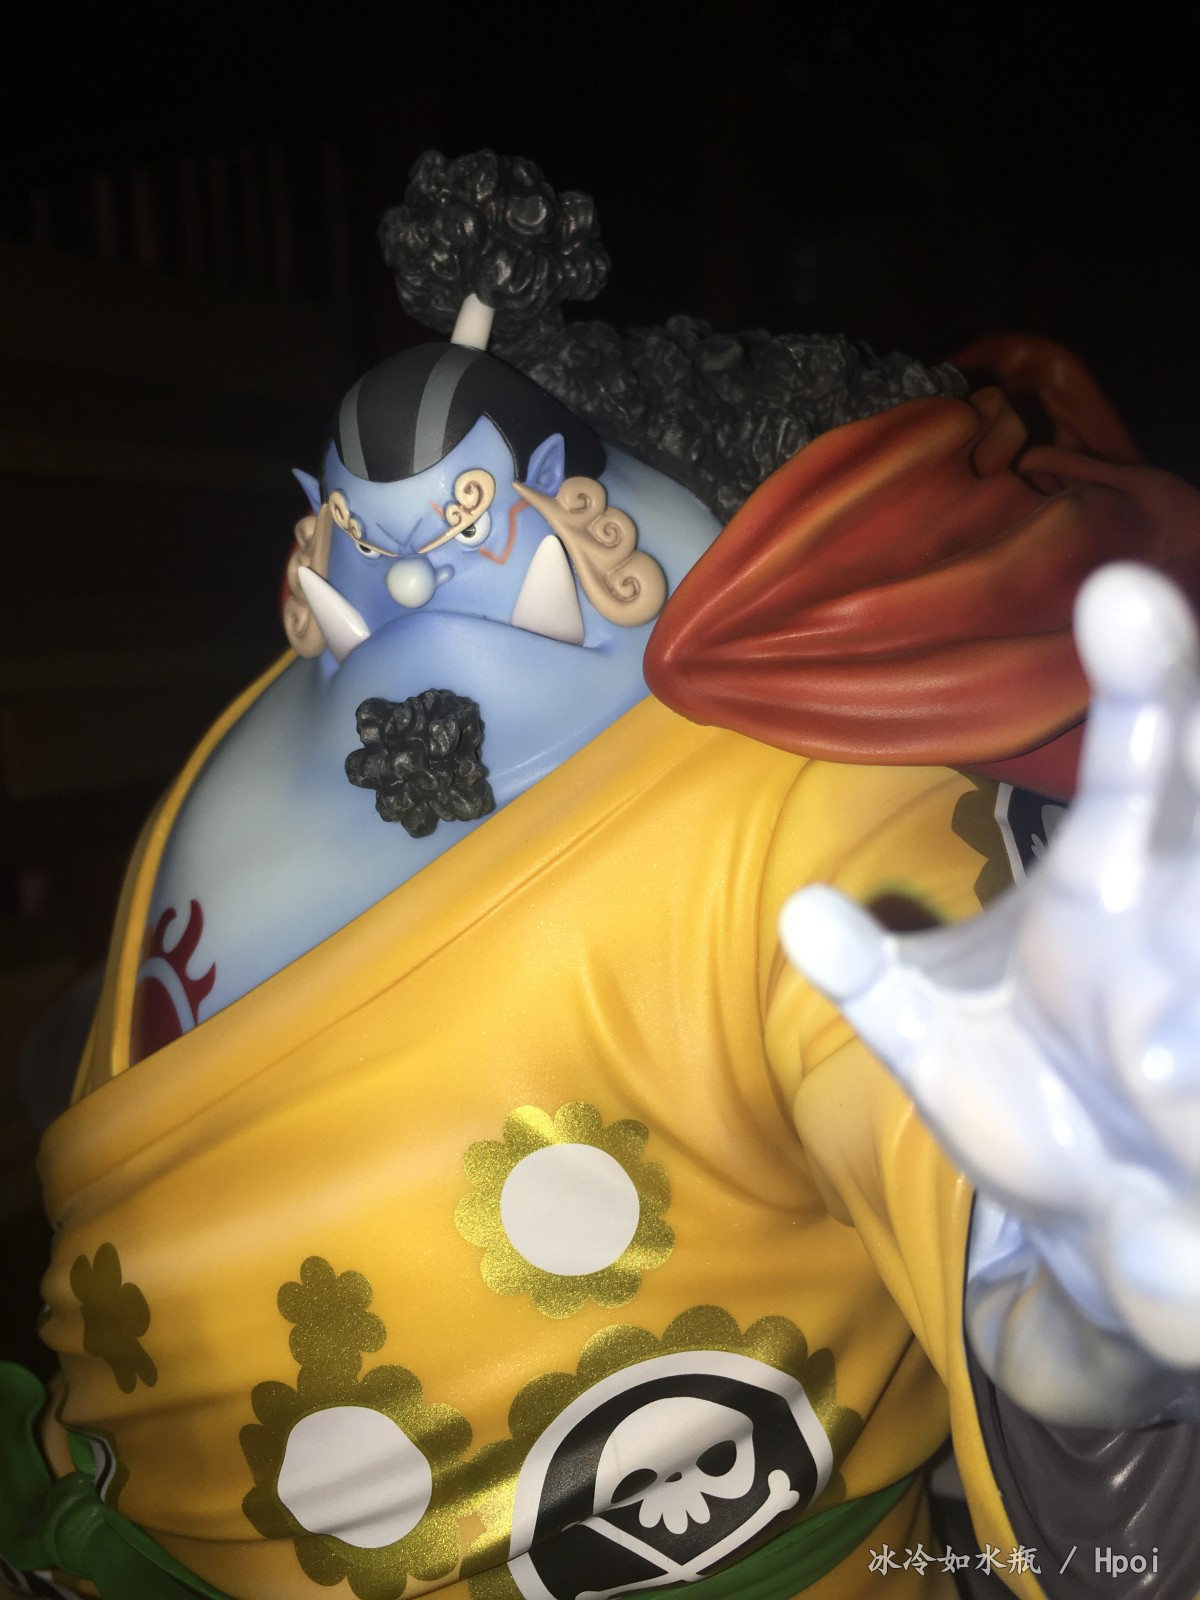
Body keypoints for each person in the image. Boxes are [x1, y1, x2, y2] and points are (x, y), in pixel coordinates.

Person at [3, 150, 1198, 1600]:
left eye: (460, 527)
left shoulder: (808, 792)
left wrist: (1061, 1294)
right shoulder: (241, 745)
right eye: (360, 539)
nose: (402, 587)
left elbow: (913, 1075)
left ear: (583, 515)